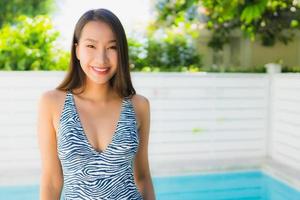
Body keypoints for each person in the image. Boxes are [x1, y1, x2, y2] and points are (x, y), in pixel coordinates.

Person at [37, 8, 155, 200]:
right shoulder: (51, 102)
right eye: (91, 46)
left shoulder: (139, 106)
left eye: (112, 47)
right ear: (76, 49)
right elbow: (51, 180)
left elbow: (142, 177)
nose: (101, 59)